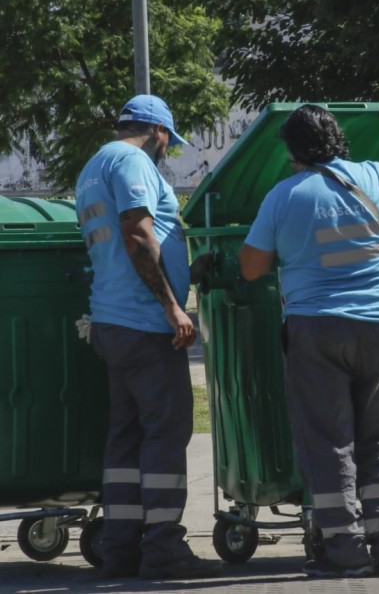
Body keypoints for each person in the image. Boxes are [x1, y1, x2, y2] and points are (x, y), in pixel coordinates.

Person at [238, 96, 379, 578]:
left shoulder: (285, 195)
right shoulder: (373, 177)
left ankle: (343, 548)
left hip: (315, 328)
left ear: (292, 151)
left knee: (328, 441)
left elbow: (252, 267)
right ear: (338, 139)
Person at [74, 94, 222, 580]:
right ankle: (163, 550)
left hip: (112, 322)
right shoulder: (133, 160)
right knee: (166, 433)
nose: (168, 150)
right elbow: (137, 234)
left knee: (127, 438)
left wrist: (187, 273)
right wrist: (172, 306)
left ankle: (121, 549)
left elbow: (126, 245)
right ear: (158, 131)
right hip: (145, 326)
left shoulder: (93, 165)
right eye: (169, 141)